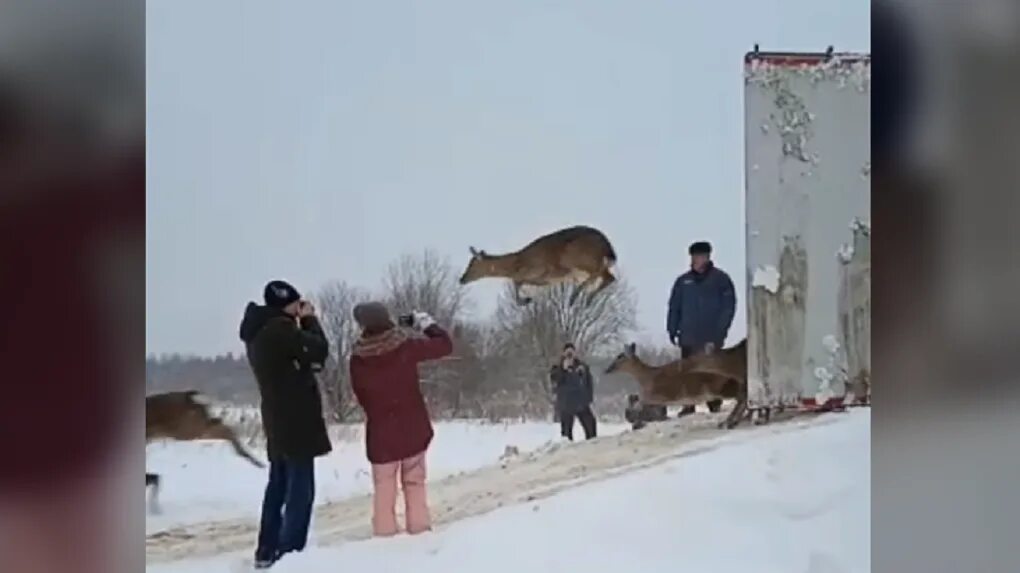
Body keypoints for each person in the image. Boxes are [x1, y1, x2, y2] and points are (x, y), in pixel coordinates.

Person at [239, 280, 332, 569]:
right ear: (285, 304)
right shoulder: (280, 329)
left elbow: (302, 360)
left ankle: (266, 549)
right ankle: (290, 553)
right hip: (296, 420)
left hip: (278, 419)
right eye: (296, 303)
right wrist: (310, 320)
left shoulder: (257, 333)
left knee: (278, 486)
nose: (299, 307)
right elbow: (318, 350)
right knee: (299, 490)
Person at [349, 302, 453, 537]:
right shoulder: (404, 347)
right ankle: (419, 530)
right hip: (412, 427)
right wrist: (425, 323)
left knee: (383, 488)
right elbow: (445, 345)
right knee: (415, 482)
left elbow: (361, 394)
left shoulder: (358, 358)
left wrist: (379, 411)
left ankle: (384, 536)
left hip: (381, 433)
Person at [666, 241, 737, 417]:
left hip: (710, 336)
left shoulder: (720, 280)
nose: (697, 260)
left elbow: (728, 307)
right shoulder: (683, 282)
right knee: (689, 372)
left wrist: (720, 332)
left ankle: (714, 404)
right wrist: (672, 329)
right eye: (694, 257)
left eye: (701, 256)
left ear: (707, 257)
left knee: (710, 371)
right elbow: (674, 307)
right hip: (688, 336)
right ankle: (689, 405)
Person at [549, 343, 598, 441]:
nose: (570, 355)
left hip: (581, 403)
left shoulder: (582, 367)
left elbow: (589, 383)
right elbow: (554, 381)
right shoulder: (557, 368)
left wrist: (588, 399)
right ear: (563, 354)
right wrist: (563, 369)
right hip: (566, 404)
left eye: (572, 352)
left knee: (591, 426)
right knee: (566, 435)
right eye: (567, 353)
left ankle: (591, 448)